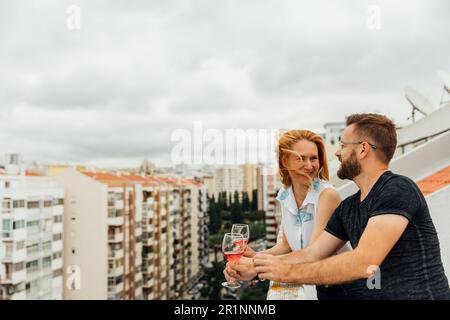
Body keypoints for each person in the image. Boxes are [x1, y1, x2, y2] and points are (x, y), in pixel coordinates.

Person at [226, 113, 450, 299]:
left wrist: (284, 271)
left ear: (362, 149)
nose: (336, 152)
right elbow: (312, 253)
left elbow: (363, 262)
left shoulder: (398, 189)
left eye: (342, 145)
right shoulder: (348, 208)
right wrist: (255, 268)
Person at [225, 129, 364, 299]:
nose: (309, 165)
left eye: (313, 158)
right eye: (300, 158)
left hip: (344, 287)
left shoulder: (327, 195)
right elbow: (287, 245)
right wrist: (255, 256)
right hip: (319, 285)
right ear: (284, 161)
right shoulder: (286, 195)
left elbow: (313, 253)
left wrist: (255, 266)